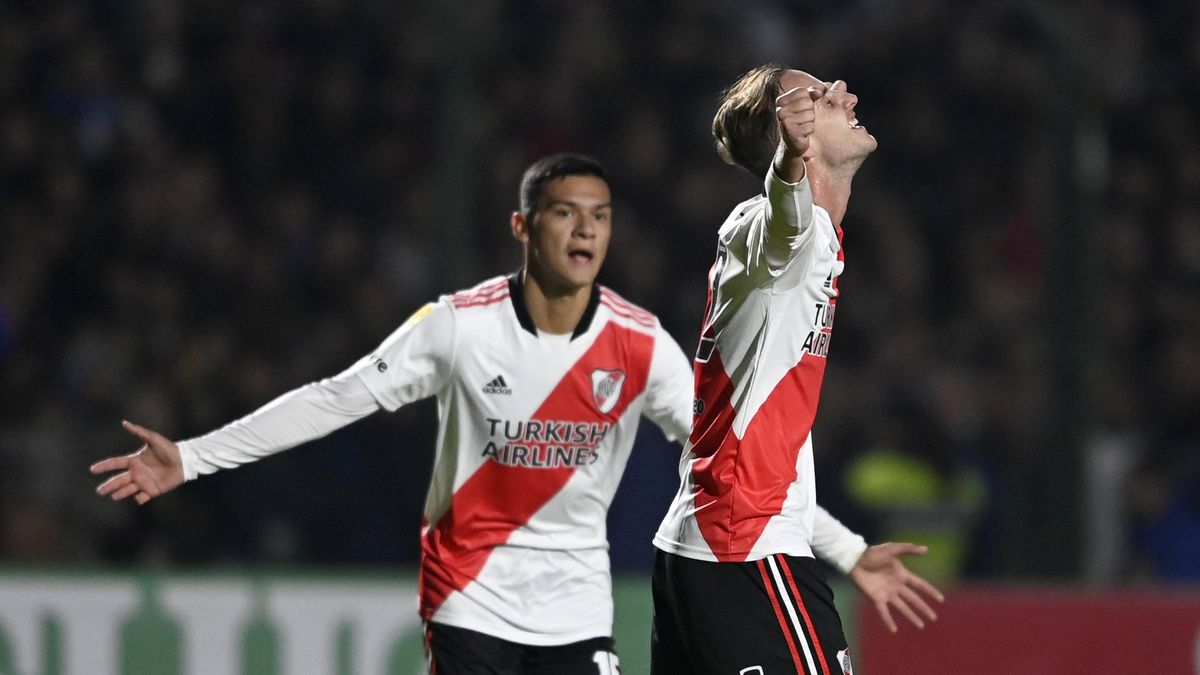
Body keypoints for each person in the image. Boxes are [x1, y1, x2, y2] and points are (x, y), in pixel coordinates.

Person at [92, 153, 934, 675]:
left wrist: (848, 550)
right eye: (565, 213)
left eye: (600, 217)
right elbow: (336, 396)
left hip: (578, 616)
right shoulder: (458, 328)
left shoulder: (638, 346)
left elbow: (737, 462)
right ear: (523, 226)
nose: (585, 231)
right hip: (471, 608)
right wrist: (193, 458)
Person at [651, 66, 945, 675]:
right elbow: (784, 223)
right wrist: (787, 160)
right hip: (745, 552)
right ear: (798, 132)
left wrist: (846, 550)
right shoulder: (780, 230)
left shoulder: (808, 240)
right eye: (822, 96)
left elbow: (769, 456)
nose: (849, 95)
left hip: (710, 547)